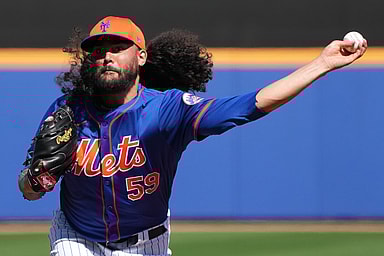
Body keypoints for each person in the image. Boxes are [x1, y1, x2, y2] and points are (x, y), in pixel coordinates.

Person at [18, 15, 367, 256]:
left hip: (148, 243)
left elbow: (253, 104)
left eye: (116, 47)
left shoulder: (169, 109)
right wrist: (36, 179)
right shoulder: (67, 110)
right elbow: (28, 191)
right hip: (77, 237)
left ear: (140, 56)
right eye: (97, 50)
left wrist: (322, 64)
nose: (105, 56)